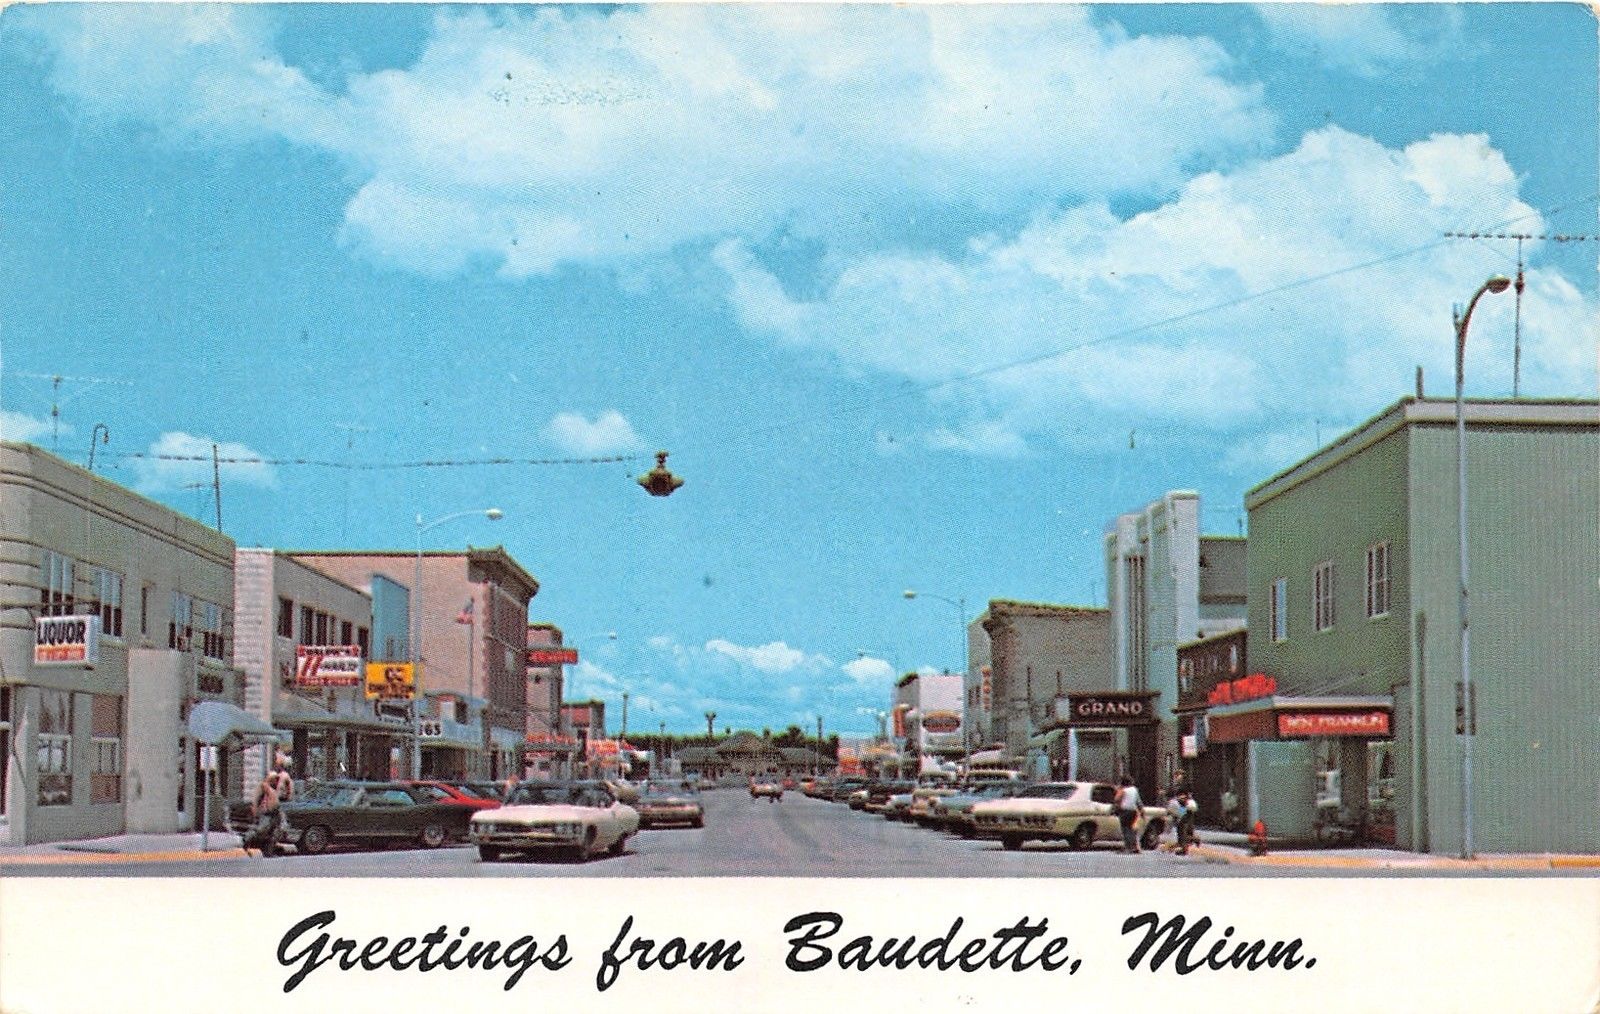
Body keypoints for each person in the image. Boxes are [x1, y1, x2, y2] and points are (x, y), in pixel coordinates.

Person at [249, 755, 294, 857]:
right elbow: (257, 798)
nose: (276, 781)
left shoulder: (275, 782)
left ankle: (269, 850)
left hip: (274, 810)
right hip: (269, 811)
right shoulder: (268, 785)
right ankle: (258, 846)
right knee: (267, 830)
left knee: (274, 830)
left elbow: (288, 793)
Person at [1114, 775, 1143, 854]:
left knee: (1125, 830)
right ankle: (1135, 847)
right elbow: (1138, 802)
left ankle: (1128, 847)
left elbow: (1116, 799)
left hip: (1124, 811)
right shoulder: (1134, 790)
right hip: (1133, 812)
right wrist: (1142, 811)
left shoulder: (1123, 790)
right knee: (1132, 830)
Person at [1170, 790, 1199, 856]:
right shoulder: (1184, 798)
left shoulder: (1181, 798)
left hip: (1185, 814)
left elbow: (1182, 809)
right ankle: (1185, 848)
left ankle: (1185, 849)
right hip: (1186, 813)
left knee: (1182, 833)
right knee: (1182, 833)